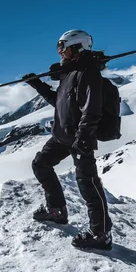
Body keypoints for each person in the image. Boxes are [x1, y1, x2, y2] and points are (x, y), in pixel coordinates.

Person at [22, 29, 113, 250]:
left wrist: (83, 138)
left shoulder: (88, 74)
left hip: (80, 137)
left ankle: (101, 234)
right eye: (59, 47)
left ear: (77, 47)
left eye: (63, 47)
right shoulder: (69, 73)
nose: (60, 52)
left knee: (87, 183)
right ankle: (57, 210)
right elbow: (60, 102)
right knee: (41, 164)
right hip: (62, 135)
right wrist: (38, 85)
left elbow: (92, 110)